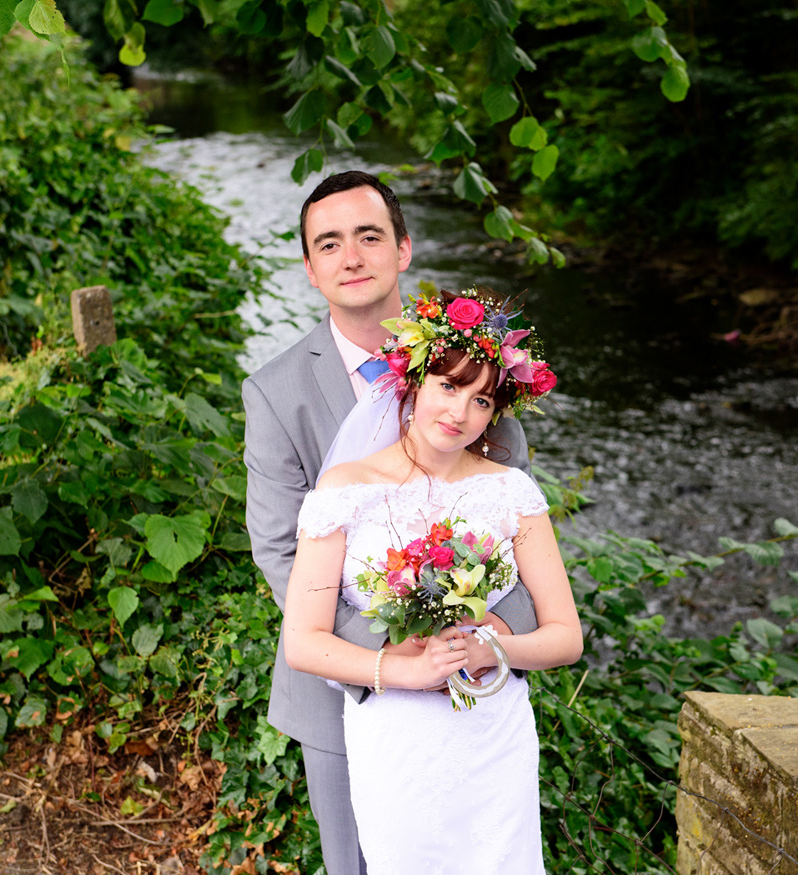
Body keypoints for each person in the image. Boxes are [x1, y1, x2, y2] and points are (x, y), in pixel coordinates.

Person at [241, 172, 541, 875]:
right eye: (330, 243)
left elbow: (514, 514)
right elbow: (279, 547)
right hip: (351, 683)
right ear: (311, 269)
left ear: (403, 249)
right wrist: (396, 652)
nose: (352, 256)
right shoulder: (276, 391)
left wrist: (490, 630)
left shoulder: (471, 366)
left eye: (370, 236)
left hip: (476, 683)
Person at [283, 288, 582, 871]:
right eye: (448, 386)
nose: (460, 413)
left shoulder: (511, 493)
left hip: (492, 734)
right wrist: (403, 671)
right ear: (413, 381)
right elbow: (303, 642)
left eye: (481, 400)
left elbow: (566, 637)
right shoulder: (344, 491)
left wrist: (492, 646)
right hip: (396, 737)